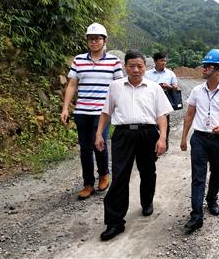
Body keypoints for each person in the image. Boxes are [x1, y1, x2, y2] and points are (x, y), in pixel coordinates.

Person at [94, 50, 173, 241]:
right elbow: (106, 112)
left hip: (148, 133)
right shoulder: (115, 86)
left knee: (147, 171)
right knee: (120, 175)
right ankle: (114, 222)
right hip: (123, 134)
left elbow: (162, 116)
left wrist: (162, 138)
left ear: (145, 67)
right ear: (124, 66)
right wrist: (99, 134)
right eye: (132, 66)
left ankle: (147, 201)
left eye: (140, 66)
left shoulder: (154, 88)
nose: (136, 70)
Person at [60, 22, 124, 200]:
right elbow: (72, 85)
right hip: (82, 111)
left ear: (105, 40)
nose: (94, 41)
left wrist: (118, 109)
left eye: (98, 38)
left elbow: (119, 87)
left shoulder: (114, 61)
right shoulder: (79, 60)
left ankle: (104, 174)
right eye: (91, 39)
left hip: (102, 112)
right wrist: (65, 108)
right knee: (85, 149)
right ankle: (88, 184)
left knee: (99, 143)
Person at [180, 49, 219, 233]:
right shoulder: (197, 91)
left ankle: (212, 199)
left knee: (216, 171)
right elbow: (189, 115)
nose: (203, 69)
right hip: (199, 138)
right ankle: (196, 215)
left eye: (208, 66)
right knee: (198, 176)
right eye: (204, 65)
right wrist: (184, 138)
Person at [145, 52, 179, 150]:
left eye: (165, 61)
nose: (164, 63)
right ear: (155, 61)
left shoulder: (170, 73)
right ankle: (153, 142)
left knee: (165, 122)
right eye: (161, 61)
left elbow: (176, 87)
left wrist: (169, 86)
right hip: (151, 100)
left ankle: (165, 141)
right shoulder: (147, 74)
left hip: (166, 99)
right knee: (151, 122)